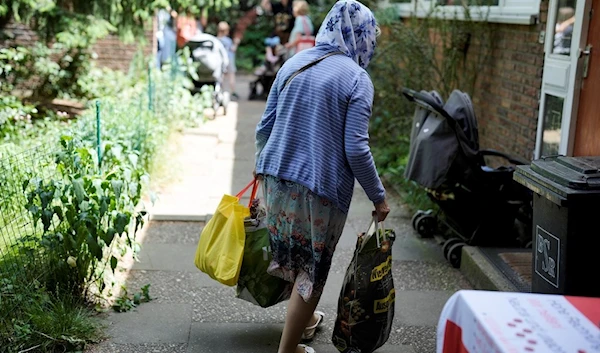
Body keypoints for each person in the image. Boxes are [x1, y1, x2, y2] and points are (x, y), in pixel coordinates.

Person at [253, 1, 388, 353]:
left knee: (289, 258)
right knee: (312, 270)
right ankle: (288, 349)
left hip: (277, 178)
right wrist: (378, 196)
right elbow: (356, 149)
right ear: (362, 37)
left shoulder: (293, 63)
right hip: (320, 189)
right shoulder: (357, 79)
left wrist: (261, 167)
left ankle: (305, 321)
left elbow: (265, 126)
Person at [217, 21, 240, 99]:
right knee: (231, 76)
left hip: (220, 60)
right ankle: (233, 92)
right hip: (229, 59)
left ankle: (221, 91)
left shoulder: (216, 40)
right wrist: (236, 43)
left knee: (221, 76)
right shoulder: (228, 40)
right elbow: (233, 49)